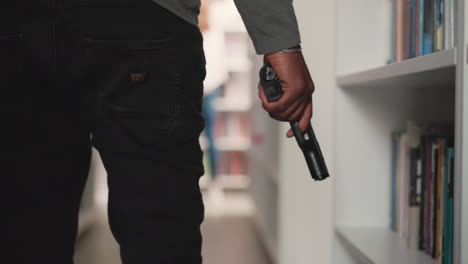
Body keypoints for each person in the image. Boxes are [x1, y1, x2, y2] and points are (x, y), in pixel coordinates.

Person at [1, 0, 314, 263]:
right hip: (145, 21)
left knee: (24, 229)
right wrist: (280, 41)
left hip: (19, 25)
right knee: (161, 231)